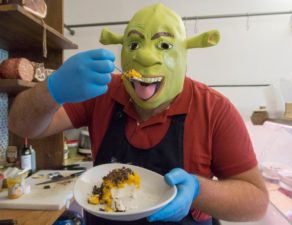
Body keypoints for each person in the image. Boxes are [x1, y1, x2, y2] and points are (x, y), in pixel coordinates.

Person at [9, 3, 268, 225]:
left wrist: (199, 191)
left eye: (164, 45)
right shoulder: (101, 91)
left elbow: (256, 202)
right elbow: (21, 125)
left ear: (184, 53)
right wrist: (52, 90)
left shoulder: (214, 109)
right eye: (134, 43)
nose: (145, 56)